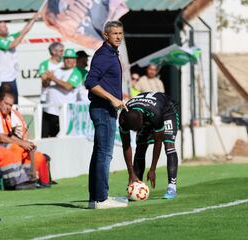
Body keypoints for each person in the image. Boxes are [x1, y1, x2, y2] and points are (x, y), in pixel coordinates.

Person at [84, 20, 128, 209]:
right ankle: (102, 199)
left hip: (105, 109)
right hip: (103, 109)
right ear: (105, 35)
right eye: (114, 33)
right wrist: (112, 99)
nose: (118, 36)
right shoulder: (104, 55)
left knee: (99, 154)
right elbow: (90, 82)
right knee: (104, 154)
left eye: (120, 33)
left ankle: (95, 198)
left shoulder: (111, 54)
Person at [119, 92, 180, 199]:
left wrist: (152, 169)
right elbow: (126, 145)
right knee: (140, 146)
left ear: (142, 121)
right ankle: (136, 184)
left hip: (167, 111)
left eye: (138, 129)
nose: (137, 131)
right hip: (144, 110)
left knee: (169, 145)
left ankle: (172, 188)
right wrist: (131, 172)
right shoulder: (123, 117)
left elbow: (158, 141)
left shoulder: (155, 114)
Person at [0, 89, 50, 188]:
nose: (8, 107)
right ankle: (17, 182)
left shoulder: (9, 114)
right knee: (15, 149)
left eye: (10, 105)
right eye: (6, 104)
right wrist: (22, 143)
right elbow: (1, 138)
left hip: (1, 144)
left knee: (36, 155)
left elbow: (8, 135)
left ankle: (35, 180)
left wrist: (25, 143)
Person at [0, 14, 38, 104]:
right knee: (5, 106)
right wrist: (21, 36)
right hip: (3, 79)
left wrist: (33, 19)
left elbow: (24, 31)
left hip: (12, 78)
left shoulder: (10, 37)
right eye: (3, 27)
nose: (6, 28)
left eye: (6, 26)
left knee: (14, 105)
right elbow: (13, 44)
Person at [41, 48, 83, 138]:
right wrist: (46, 79)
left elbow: (68, 86)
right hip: (48, 110)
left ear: (75, 60)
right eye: (66, 58)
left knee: (58, 138)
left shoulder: (77, 72)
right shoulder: (57, 70)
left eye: (71, 58)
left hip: (62, 113)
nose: (68, 60)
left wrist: (53, 78)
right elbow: (45, 85)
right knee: (43, 137)